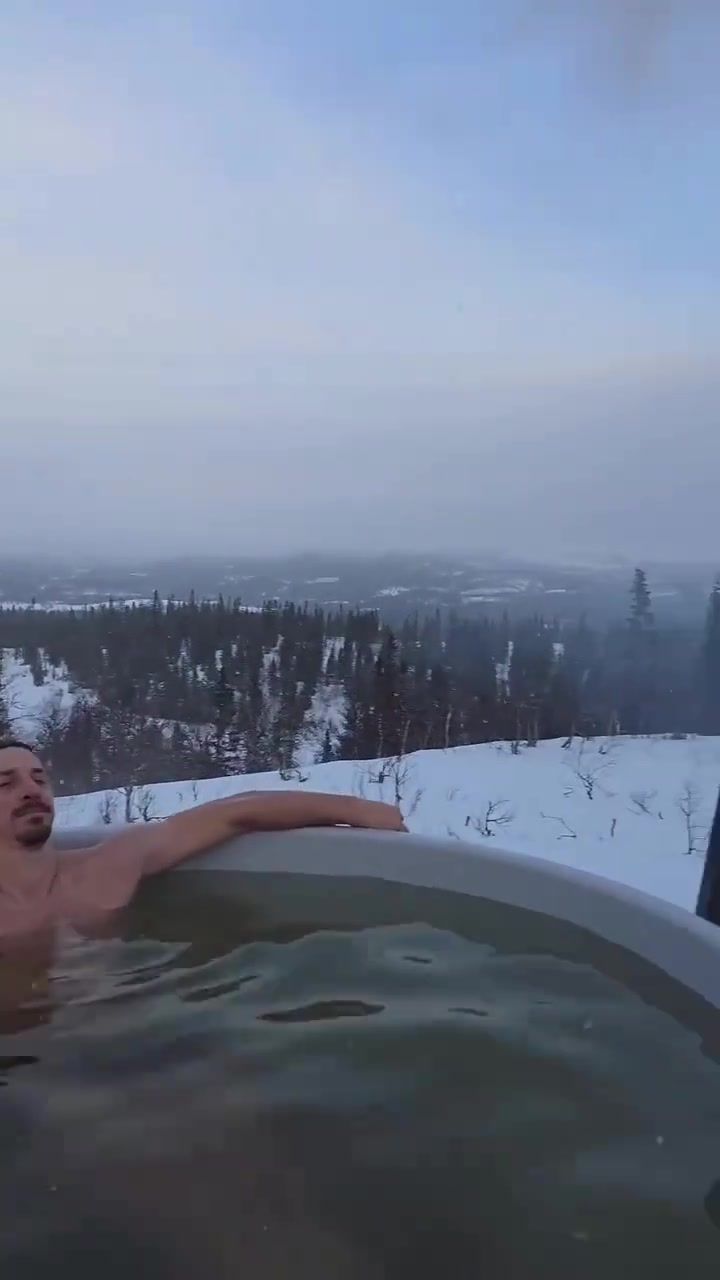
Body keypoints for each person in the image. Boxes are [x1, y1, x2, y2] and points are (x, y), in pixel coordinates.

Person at [0, 739, 406, 939]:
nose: (32, 790)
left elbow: (236, 812)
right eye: (6, 783)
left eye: (39, 779)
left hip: (125, 1048)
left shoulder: (105, 868)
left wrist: (354, 809)